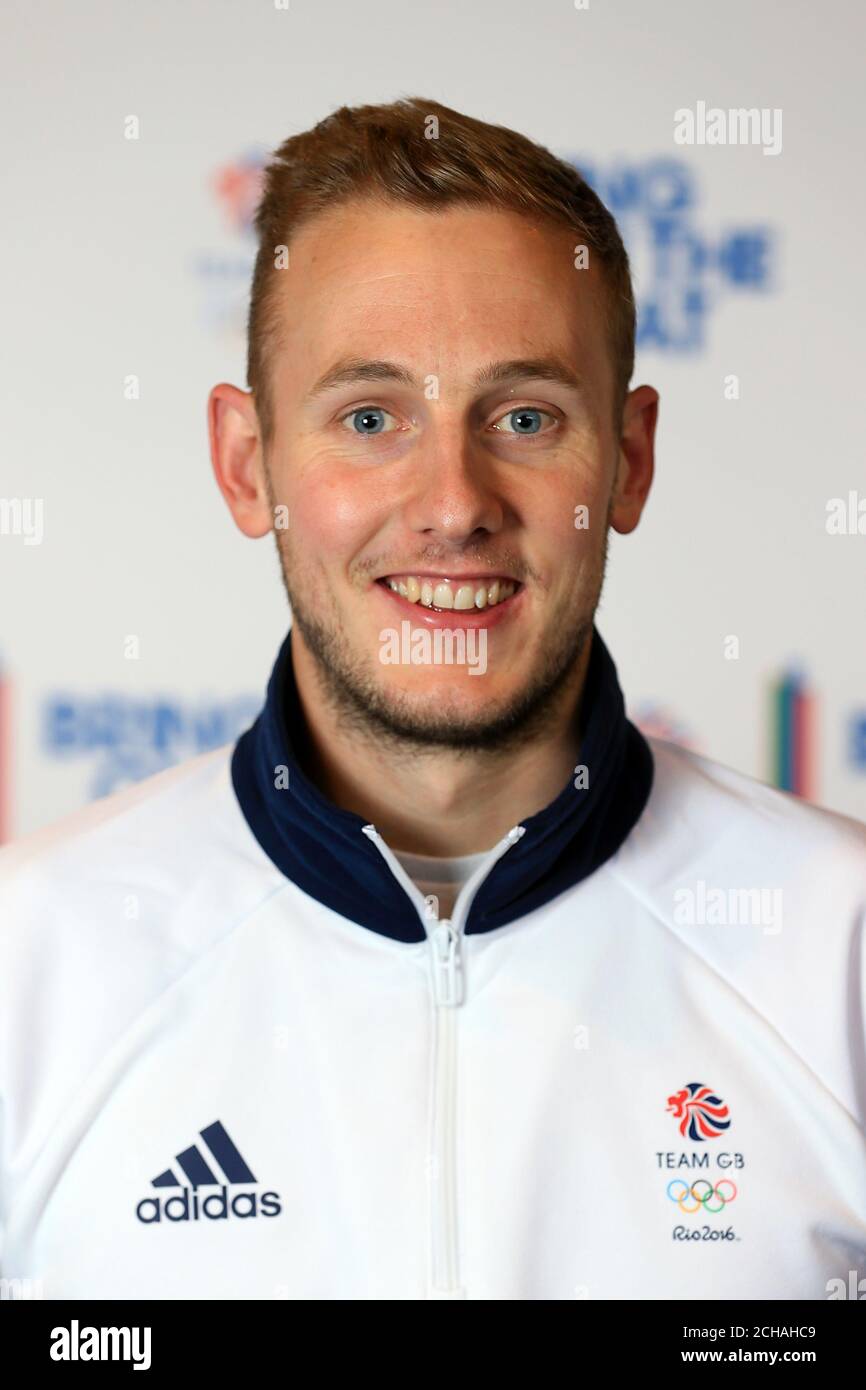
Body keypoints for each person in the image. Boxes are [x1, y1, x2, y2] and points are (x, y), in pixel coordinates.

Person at [1, 97, 864, 1302]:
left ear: (628, 459)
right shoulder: (30, 961)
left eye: (523, 417)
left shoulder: (840, 950)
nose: (453, 501)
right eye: (369, 417)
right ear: (249, 466)